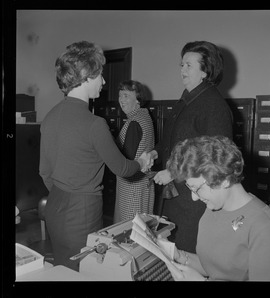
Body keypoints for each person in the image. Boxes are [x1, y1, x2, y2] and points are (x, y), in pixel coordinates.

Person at [39, 41, 152, 271]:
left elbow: (44, 172)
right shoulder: (94, 124)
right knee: (85, 270)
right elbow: (123, 169)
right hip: (82, 210)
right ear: (85, 76)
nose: (103, 81)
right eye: (99, 74)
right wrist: (142, 161)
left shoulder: (50, 116)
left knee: (62, 269)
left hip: (55, 205)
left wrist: (65, 194)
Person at [149, 41, 233, 253]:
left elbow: (217, 158)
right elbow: (172, 142)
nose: (182, 70)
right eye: (181, 65)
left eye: (188, 65)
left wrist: (174, 172)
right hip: (173, 199)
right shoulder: (186, 100)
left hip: (193, 204)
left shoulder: (214, 105)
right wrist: (154, 152)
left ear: (205, 71)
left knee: (186, 257)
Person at [164, 135, 270, 281]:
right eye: (190, 188)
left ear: (224, 181)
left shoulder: (266, 228)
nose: (194, 197)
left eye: (197, 189)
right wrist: (180, 256)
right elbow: (215, 267)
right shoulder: (213, 208)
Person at [113, 80, 155, 223]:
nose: (121, 100)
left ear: (138, 100)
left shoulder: (134, 122)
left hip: (131, 189)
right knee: (142, 229)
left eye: (126, 96)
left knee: (128, 231)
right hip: (144, 184)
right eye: (120, 96)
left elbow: (127, 160)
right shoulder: (145, 117)